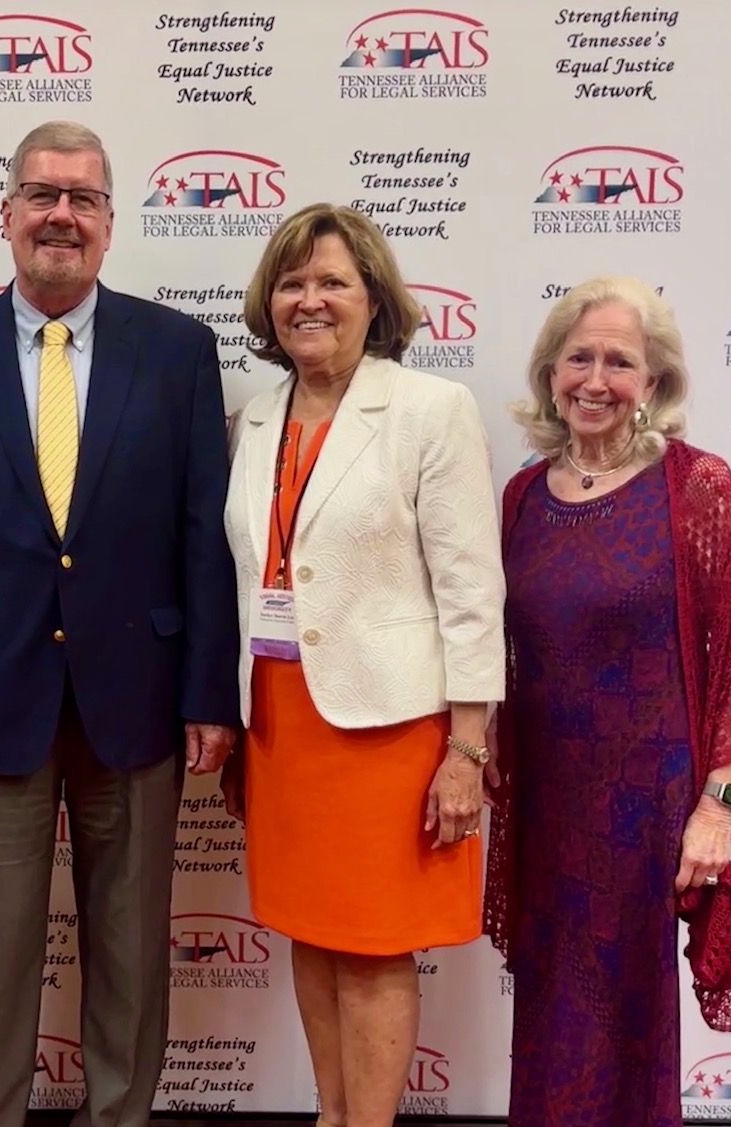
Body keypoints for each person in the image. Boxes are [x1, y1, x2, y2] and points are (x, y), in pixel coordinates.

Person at [0, 120, 239, 1127]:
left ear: (110, 224)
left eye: (82, 199)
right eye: (41, 194)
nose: (60, 215)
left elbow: (199, 534)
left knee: (131, 950)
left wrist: (208, 688)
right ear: (5, 215)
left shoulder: (175, 352)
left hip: (137, 701)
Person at [219, 203, 505, 1127]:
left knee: (376, 944)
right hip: (280, 716)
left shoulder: (430, 409)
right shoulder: (256, 418)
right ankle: (332, 1113)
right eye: (294, 284)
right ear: (271, 302)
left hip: (390, 727)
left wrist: (467, 748)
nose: (311, 301)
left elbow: (471, 588)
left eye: (333, 282)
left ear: (373, 299)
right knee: (311, 927)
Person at [483, 277, 731, 1126]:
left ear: (654, 381)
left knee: (630, 1025)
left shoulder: (697, 488)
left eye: (620, 361)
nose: (596, 380)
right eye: (580, 357)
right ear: (551, 371)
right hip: (547, 808)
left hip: (646, 813)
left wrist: (719, 809)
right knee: (549, 1020)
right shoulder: (522, 497)